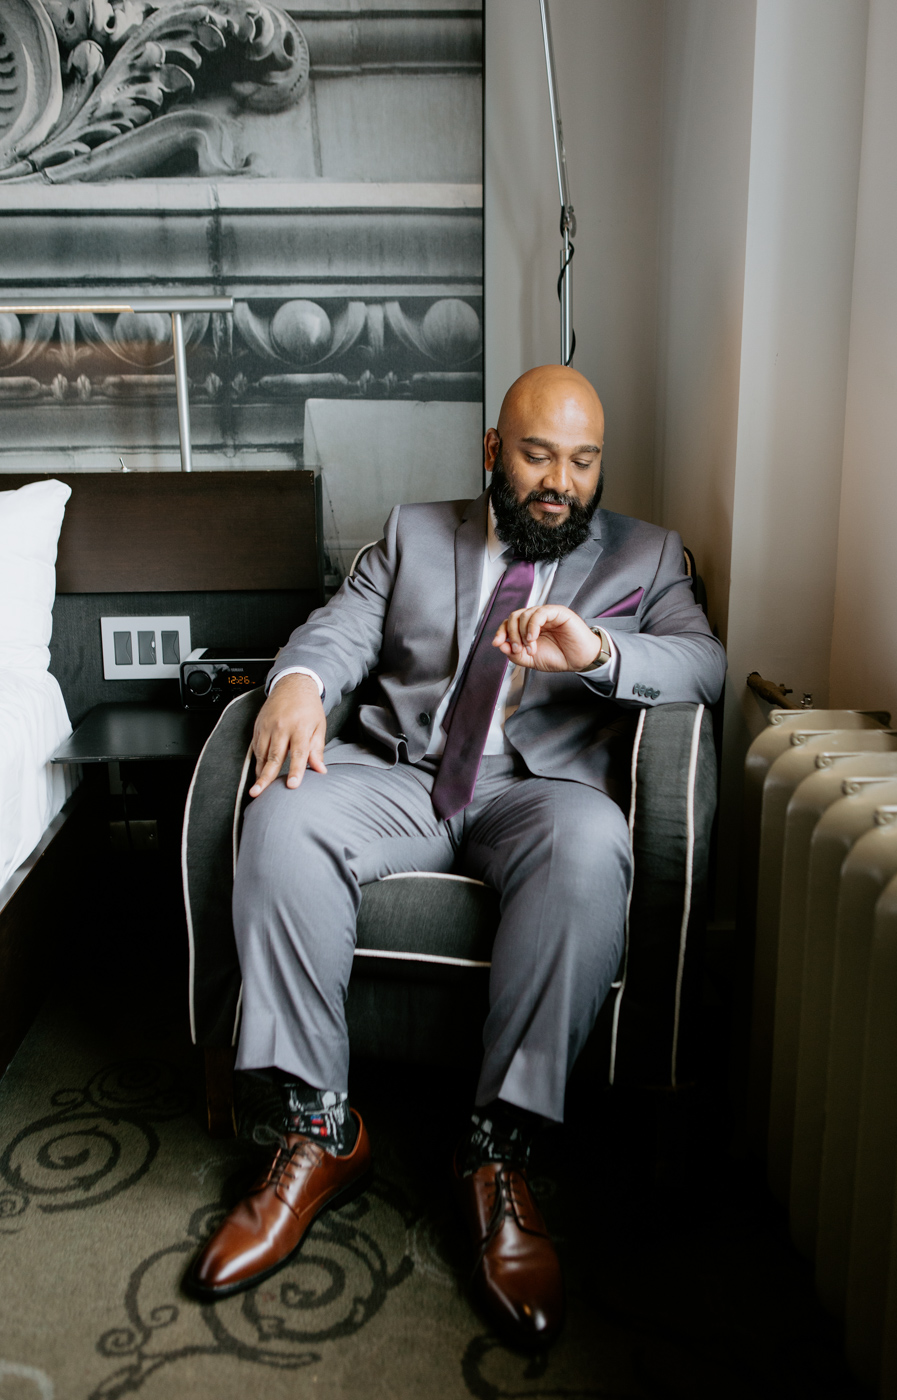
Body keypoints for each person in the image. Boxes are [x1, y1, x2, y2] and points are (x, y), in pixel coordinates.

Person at [183, 365, 726, 1347]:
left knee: (594, 843)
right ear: (491, 450)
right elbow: (340, 629)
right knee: (282, 812)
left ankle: (495, 1146)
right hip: (405, 771)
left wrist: (599, 649)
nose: (559, 481)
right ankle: (320, 1126)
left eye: (582, 460)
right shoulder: (412, 532)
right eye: (536, 454)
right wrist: (299, 682)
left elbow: (704, 662)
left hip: (541, 793)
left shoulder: (650, 554)